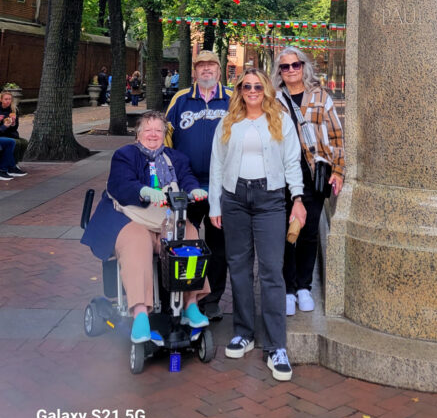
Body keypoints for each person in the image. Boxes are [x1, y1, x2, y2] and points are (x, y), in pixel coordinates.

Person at [209, 68, 306, 381]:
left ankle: (276, 346)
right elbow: (216, 165)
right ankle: (244, 332)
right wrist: (215, 204)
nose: (252, 91)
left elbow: (292, 162)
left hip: (270, 199)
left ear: (266, 90)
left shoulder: (280, 120)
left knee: (271, 271)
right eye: (246, 86)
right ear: (239, 90)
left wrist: (298, 198)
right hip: (234, 198)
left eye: (257, 86)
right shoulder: (229, 122)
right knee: (238, 266)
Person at [81, 110, 210, 343]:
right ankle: (140, 313)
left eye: (158, 130)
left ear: (164, 134)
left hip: (164, 219)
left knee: (189, 236)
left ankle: (190, 303)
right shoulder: (125, 155)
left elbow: (187, 178)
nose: (153, 134)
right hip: (130, 218)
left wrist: (193, 190)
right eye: (148, 130)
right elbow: (121, 183)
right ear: (138, 134)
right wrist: (144, 191)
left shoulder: (177, 158)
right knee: (137, 242)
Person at [271, 47, 345, 316]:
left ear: (304, 66)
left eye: (296, 65)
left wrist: (338, 171)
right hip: (282, 174)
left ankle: (304, 286)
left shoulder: (320, 96)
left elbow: (336, 136)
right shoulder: (273, 99)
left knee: (309, 231)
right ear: (279, 72)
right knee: (285, 232)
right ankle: (288, 289)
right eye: (285, 66)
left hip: (315, 173)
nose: (291, 70)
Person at [166, 50, 231, 321]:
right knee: (185, 243)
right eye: (201, 65)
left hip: (221, 186)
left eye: (211, 65)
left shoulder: (232, 99)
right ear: (194, 71)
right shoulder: (181, 99)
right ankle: (186, 297)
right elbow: (166, 137)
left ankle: (211, 299)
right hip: (187, 185)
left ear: (219, 70)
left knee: (219, 246)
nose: (206, 69)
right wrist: (170, 175)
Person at [0, 90, 28, 161]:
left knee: (24, 142)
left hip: (11, 133)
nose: (8, 101)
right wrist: (4, 126)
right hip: (2, 133)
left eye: (9, 99)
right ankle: (12, 163)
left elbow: (15, 128)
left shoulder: (14, 110)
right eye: (6, 99)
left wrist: (13, 123)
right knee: (16, 143)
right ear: (1, 100)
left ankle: (17, 161)